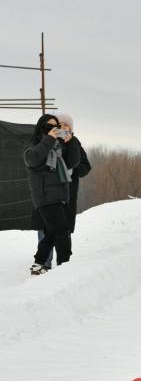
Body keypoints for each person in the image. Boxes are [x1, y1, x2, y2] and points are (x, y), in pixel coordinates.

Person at [31, 113, 92, 270]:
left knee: (59, 232)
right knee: (50, 230)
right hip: (46, 195)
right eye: (60, 126)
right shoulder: (44, 143)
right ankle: (47, 264)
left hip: (66, 193)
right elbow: (34, 160)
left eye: (67, 127)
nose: (62, 129)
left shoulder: (72, 142)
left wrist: (69, 168)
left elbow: (81, 165)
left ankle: (53, 266)